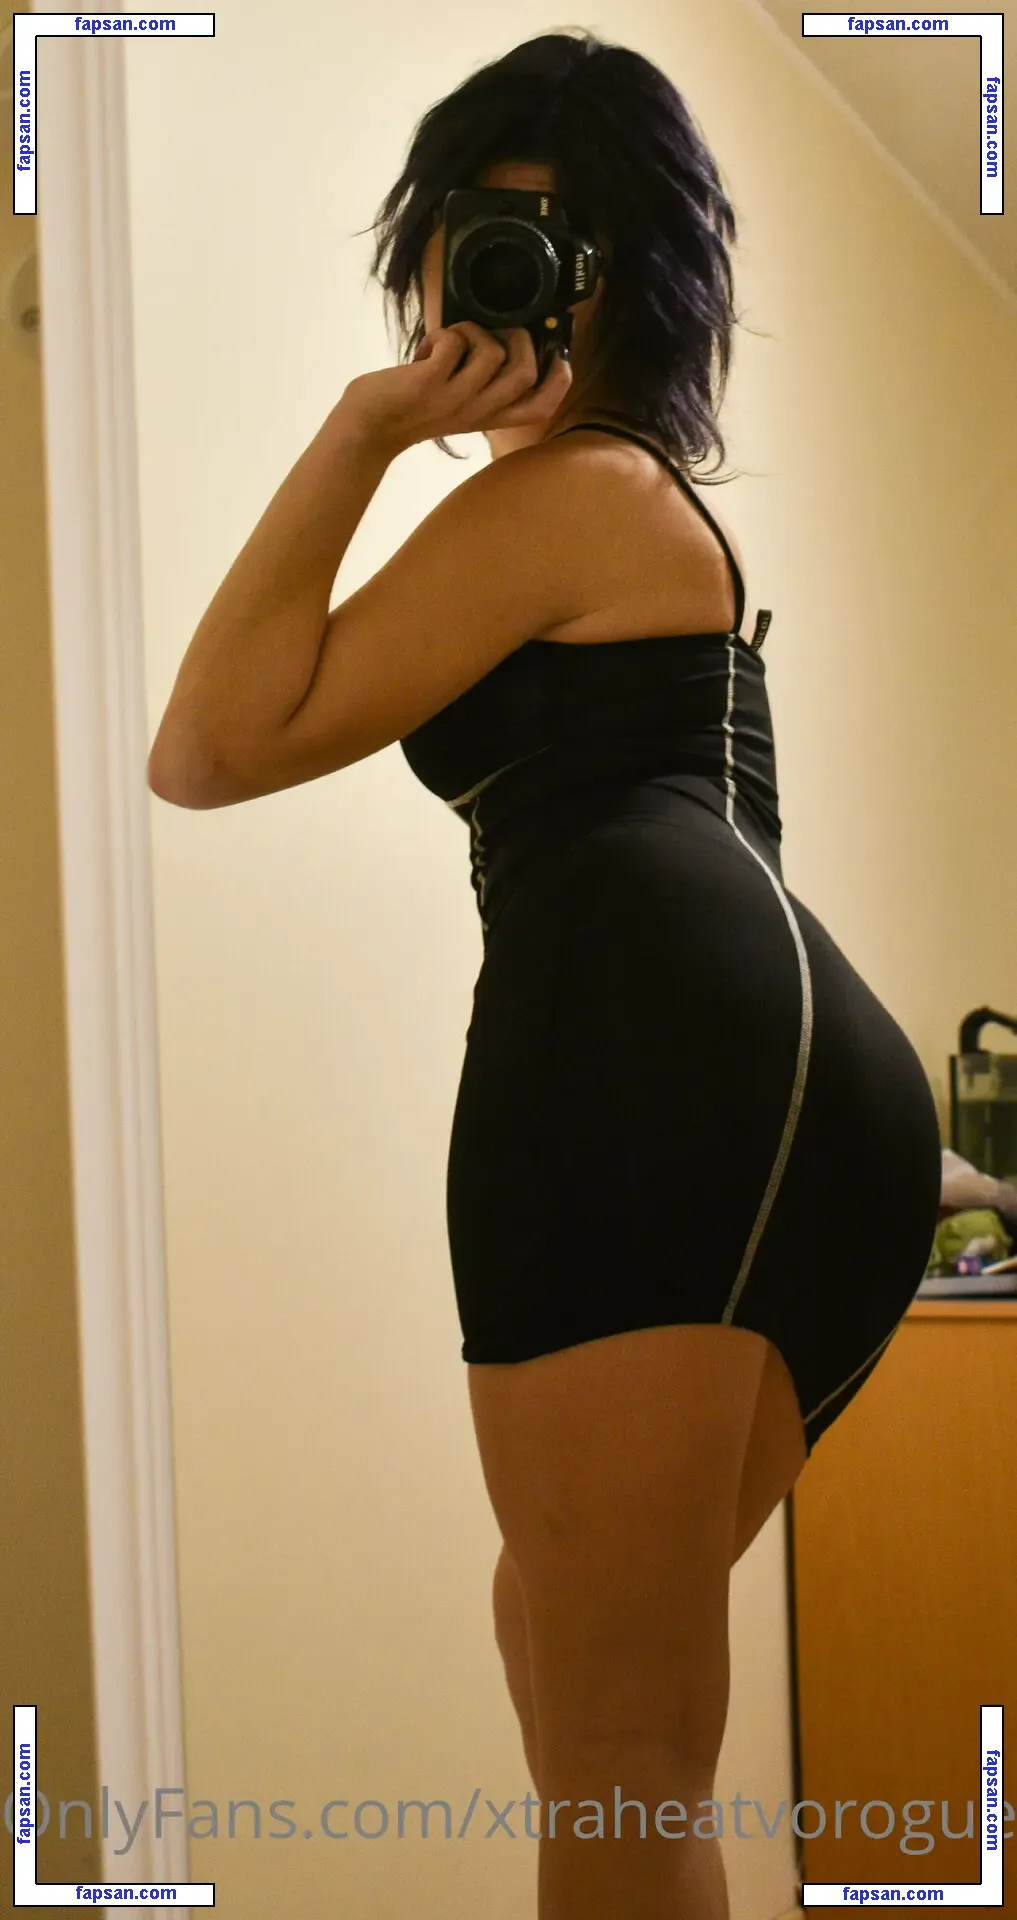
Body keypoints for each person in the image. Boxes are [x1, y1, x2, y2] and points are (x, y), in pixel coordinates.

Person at [148, 29, 944, 1919]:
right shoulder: (631, 500)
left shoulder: (571, 492)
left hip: (647, 1071)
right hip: (788, 1094)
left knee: (617, 1748)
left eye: (551, 244)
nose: (496, 282)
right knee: (583, 1673)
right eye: (473, 234)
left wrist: (364, 430)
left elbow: (210, 743)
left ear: (633, 282)